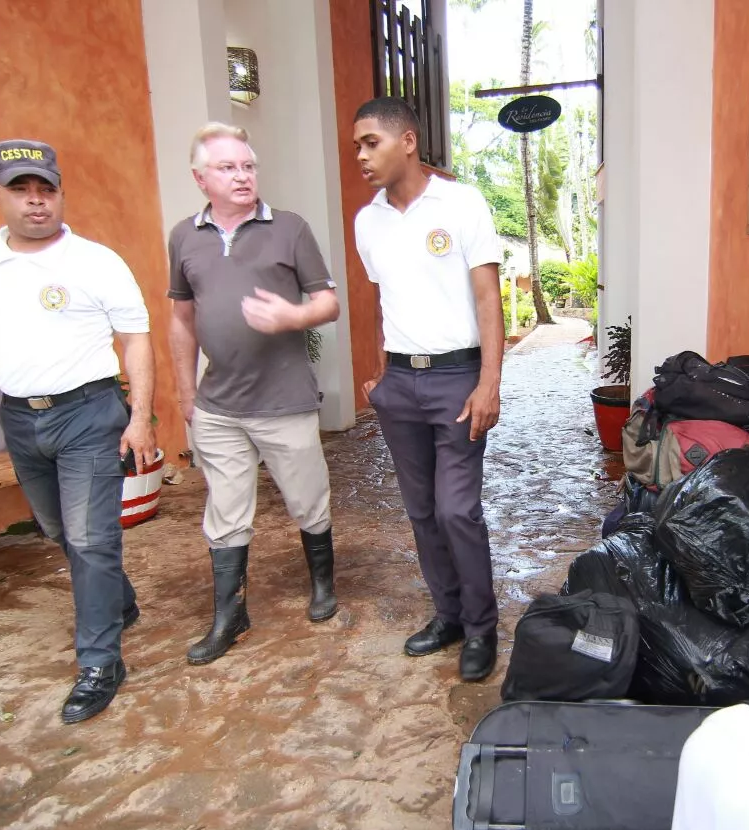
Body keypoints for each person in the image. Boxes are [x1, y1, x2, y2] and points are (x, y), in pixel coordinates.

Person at [0, 139, 157, 725]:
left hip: (88, 412)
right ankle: (119, 602)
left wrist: (139, 416)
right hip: (19, 415)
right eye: (21, 190)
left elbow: (136, 339)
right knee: (60, 528)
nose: (36, 202)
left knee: (90, 539)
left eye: (46, 190)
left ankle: (100, 663)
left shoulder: (96, 262)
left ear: (60, 194)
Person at [168, 122, 341, 666]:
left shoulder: (289, 228)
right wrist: (184, 394)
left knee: (307, 500)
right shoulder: (184, 237)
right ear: (201, 178)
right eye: (228, 167)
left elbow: (328, 302)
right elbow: (180, 319)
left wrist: (294, 315)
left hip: (283, 399)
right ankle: (229, 614)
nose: (242, 176)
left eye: (248, 165)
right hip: (218, 404)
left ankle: (323, 584)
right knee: (225, 510)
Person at [351, 97, 504, 682]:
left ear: (407, 141)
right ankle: (449, 616)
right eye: (357, 147)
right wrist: (378, 371)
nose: (362, 156)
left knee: (457, 509)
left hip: (457, 379)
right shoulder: (369, 220)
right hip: (401, 384)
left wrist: (489, 380)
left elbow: (488, 297)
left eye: (372, 143)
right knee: (420, 511)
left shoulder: (461, 203)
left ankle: (483, 626)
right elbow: (378, 299)